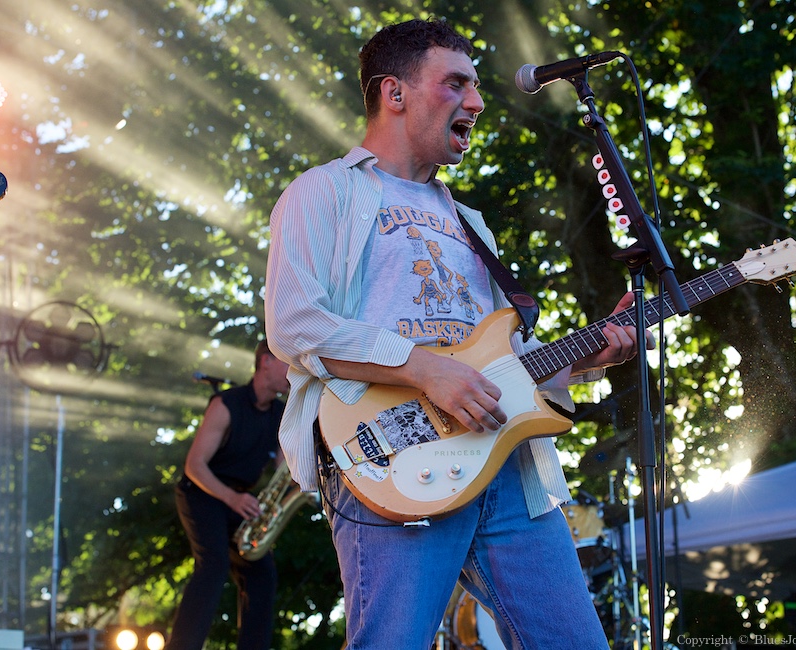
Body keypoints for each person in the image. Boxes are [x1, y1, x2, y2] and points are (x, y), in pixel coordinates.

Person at [265, 18, 652, 650]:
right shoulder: (322, 193)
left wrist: (590, 356)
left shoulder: (471, 223)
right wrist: (423, 369)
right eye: (455, 84)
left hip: (505, 463)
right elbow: (294, 323)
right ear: (395, 93)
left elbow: (506, 363)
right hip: (392, 450)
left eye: (473, 87)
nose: (475, 102)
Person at [166, 339, 290, 650]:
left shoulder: (281, 413)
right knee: (213, 565)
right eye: (288, 361)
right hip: (203, 493)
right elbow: (194, 466)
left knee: (262, 574)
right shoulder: (225, 403)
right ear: (266, 362)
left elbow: (282, 468)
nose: (295, 370)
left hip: (239, 499)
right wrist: (232, 499)